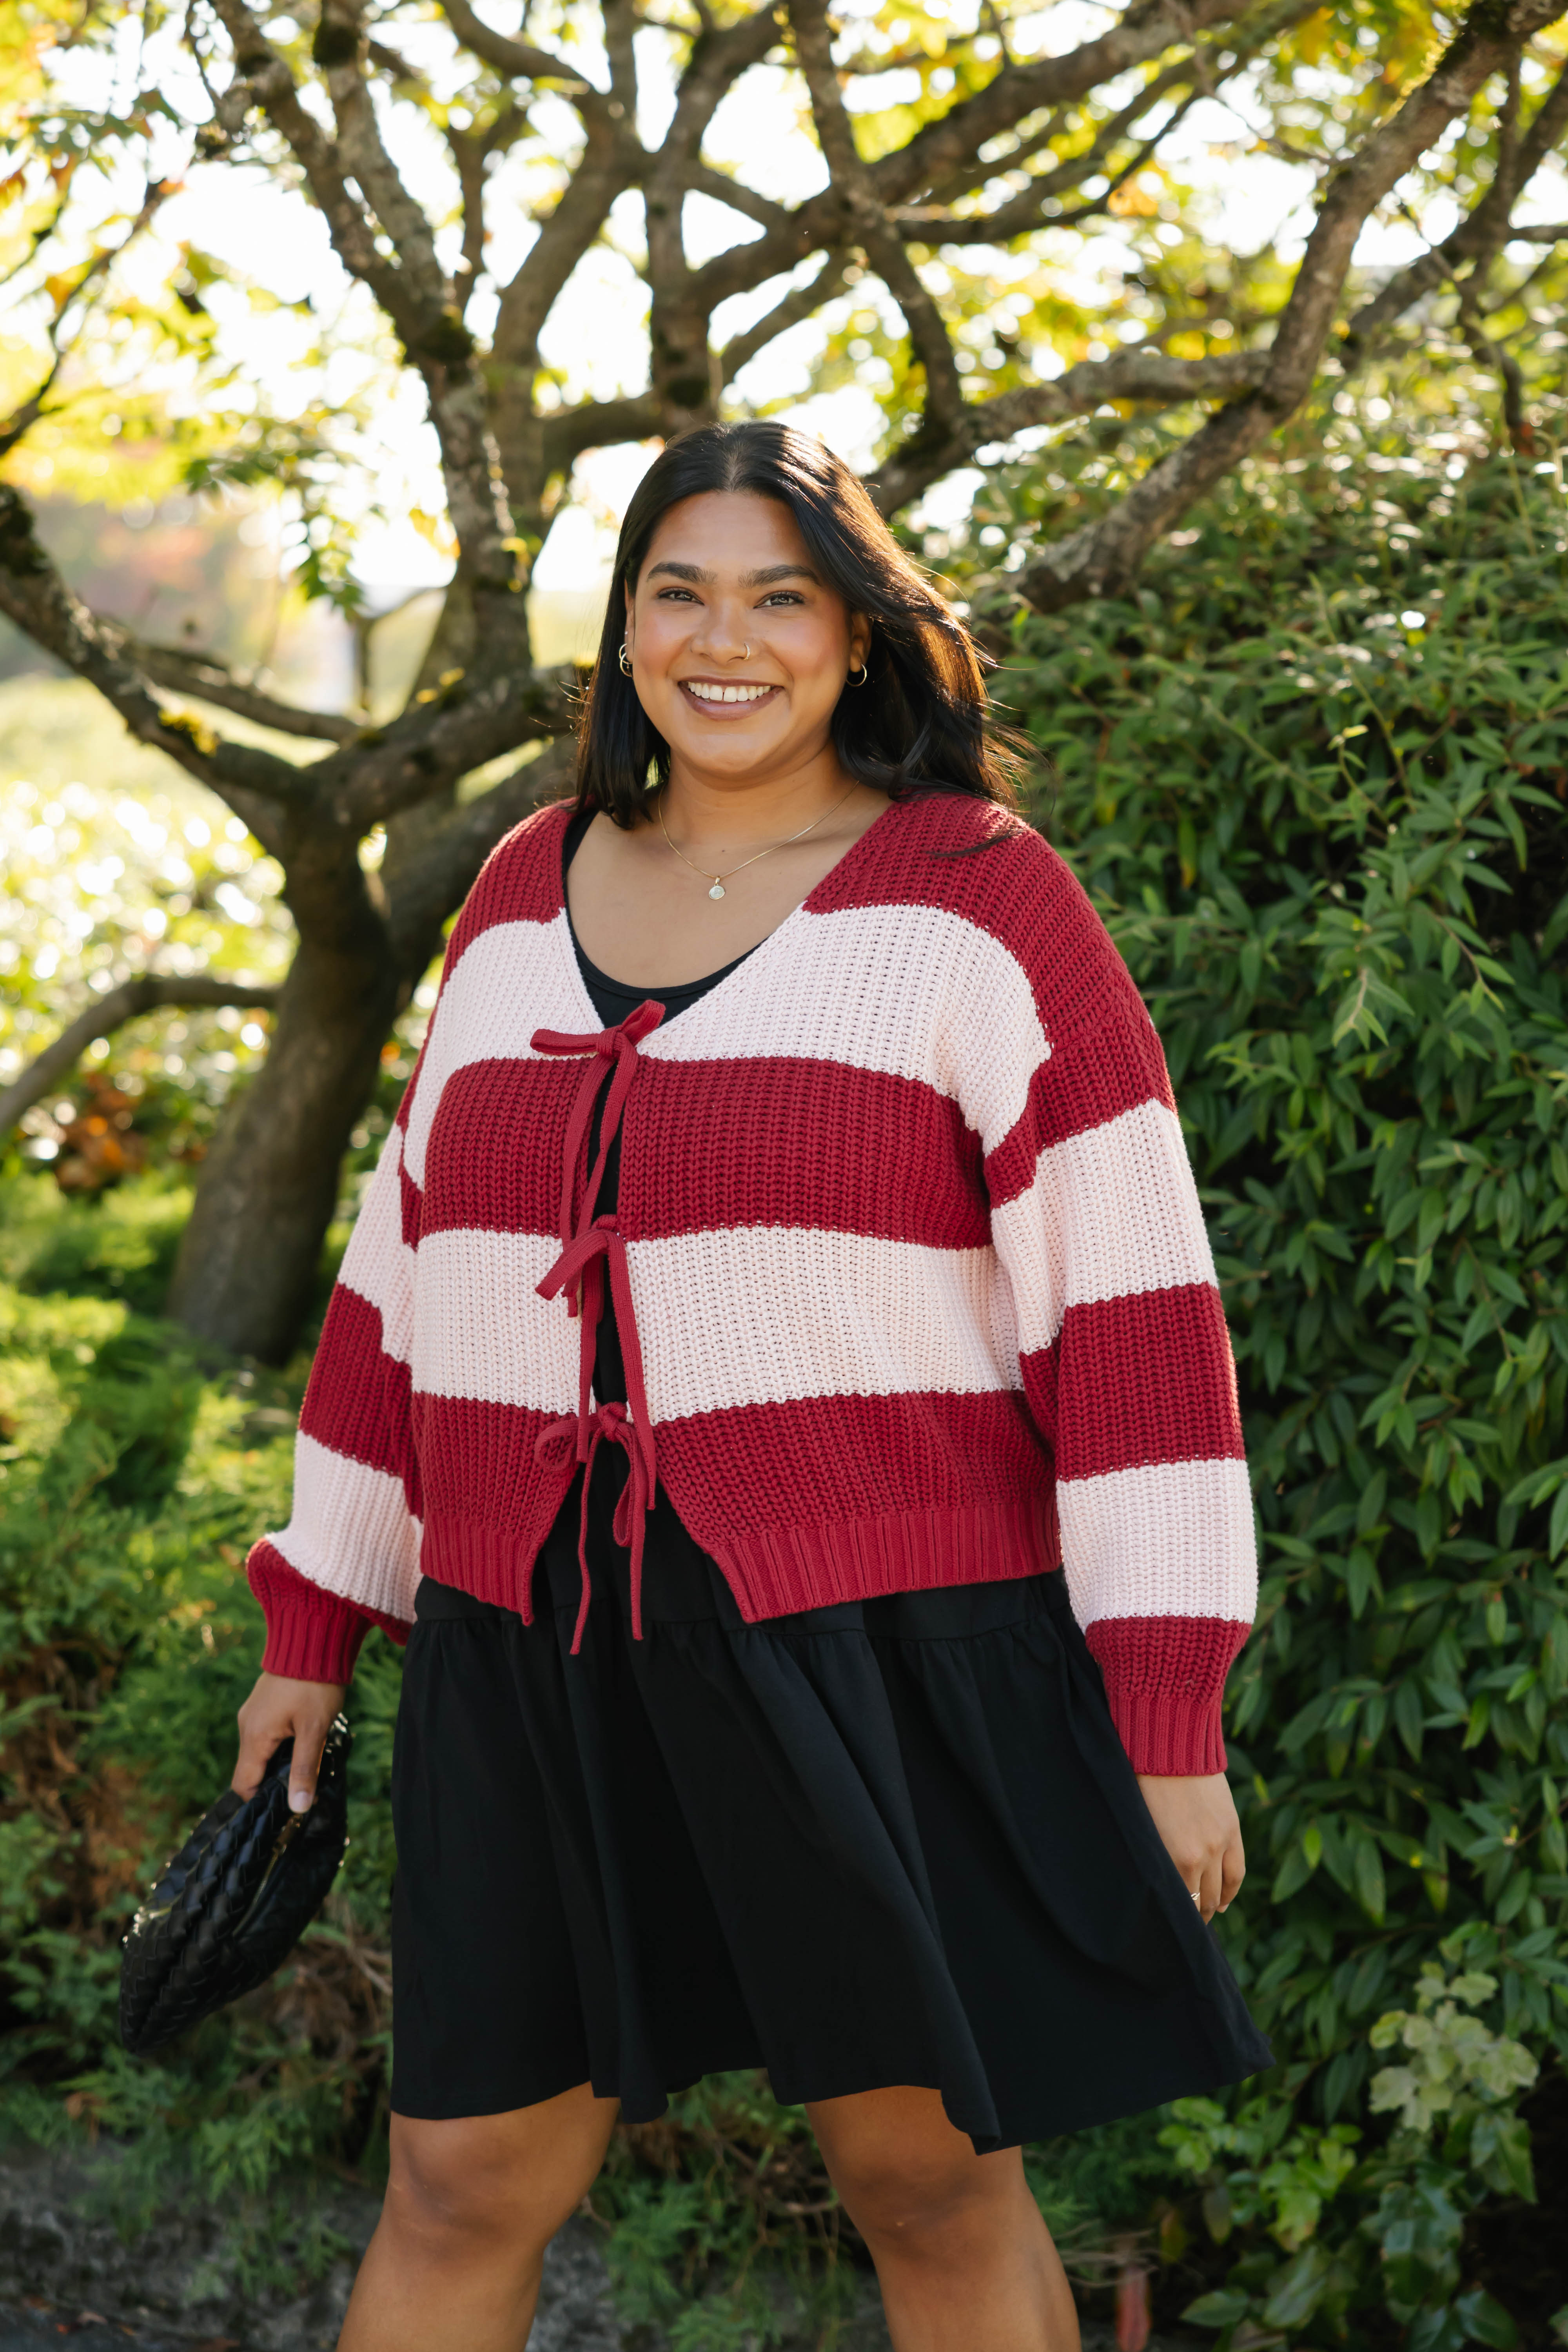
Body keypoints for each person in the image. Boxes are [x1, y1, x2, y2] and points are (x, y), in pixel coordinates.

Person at [232, 420, 1269, 2352]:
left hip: (866, 1644)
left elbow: (1131, 1304)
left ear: (861, 638)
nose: (728, 640)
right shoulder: (522, 892)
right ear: (623, 629)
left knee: (928, 2185)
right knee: (460, 2176)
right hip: (529, 1641)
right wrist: (318, 1612)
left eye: (782, 597)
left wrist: (1166, 1700)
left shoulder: (975, 894)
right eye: (678, 591)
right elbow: (410, 1268)